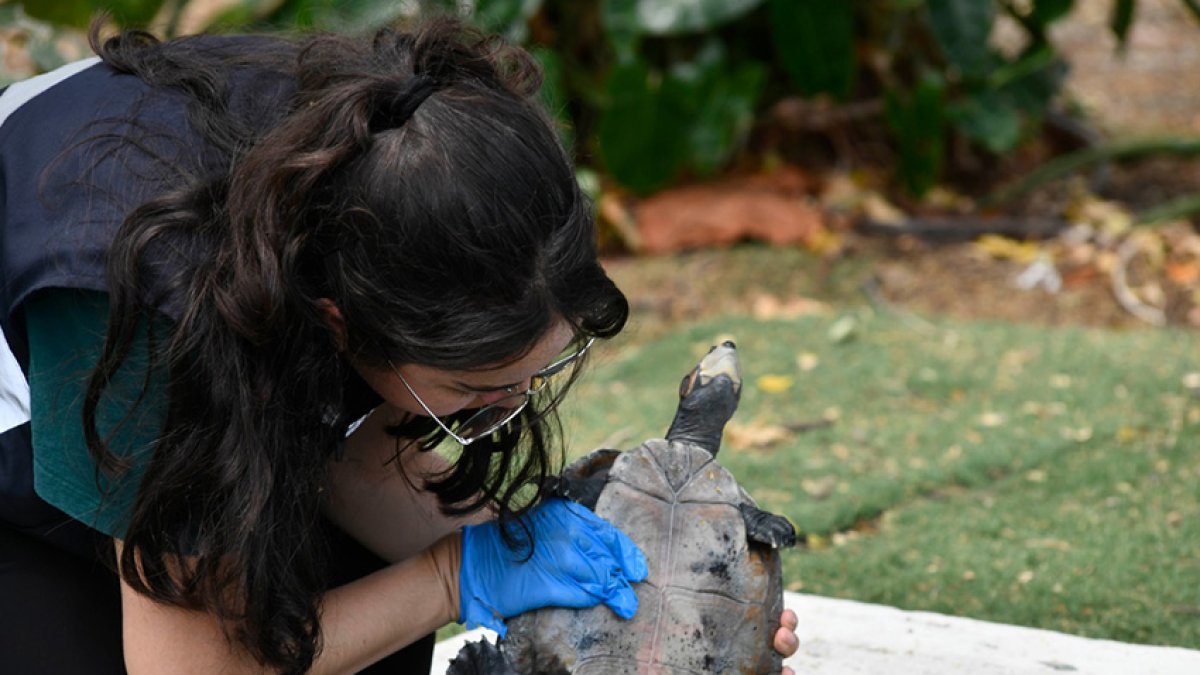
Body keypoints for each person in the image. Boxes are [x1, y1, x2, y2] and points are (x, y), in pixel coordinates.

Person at [0, 16, 800, 674]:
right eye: (477, 394)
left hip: (199, 346)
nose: (514, 406)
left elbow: (359, 460)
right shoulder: (147, 314)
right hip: (47, 414)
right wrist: (454, 574)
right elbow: (189, 669)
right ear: (343, 320)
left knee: (363, 604)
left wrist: (632, 595)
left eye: (535, 373)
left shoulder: (402, 167)